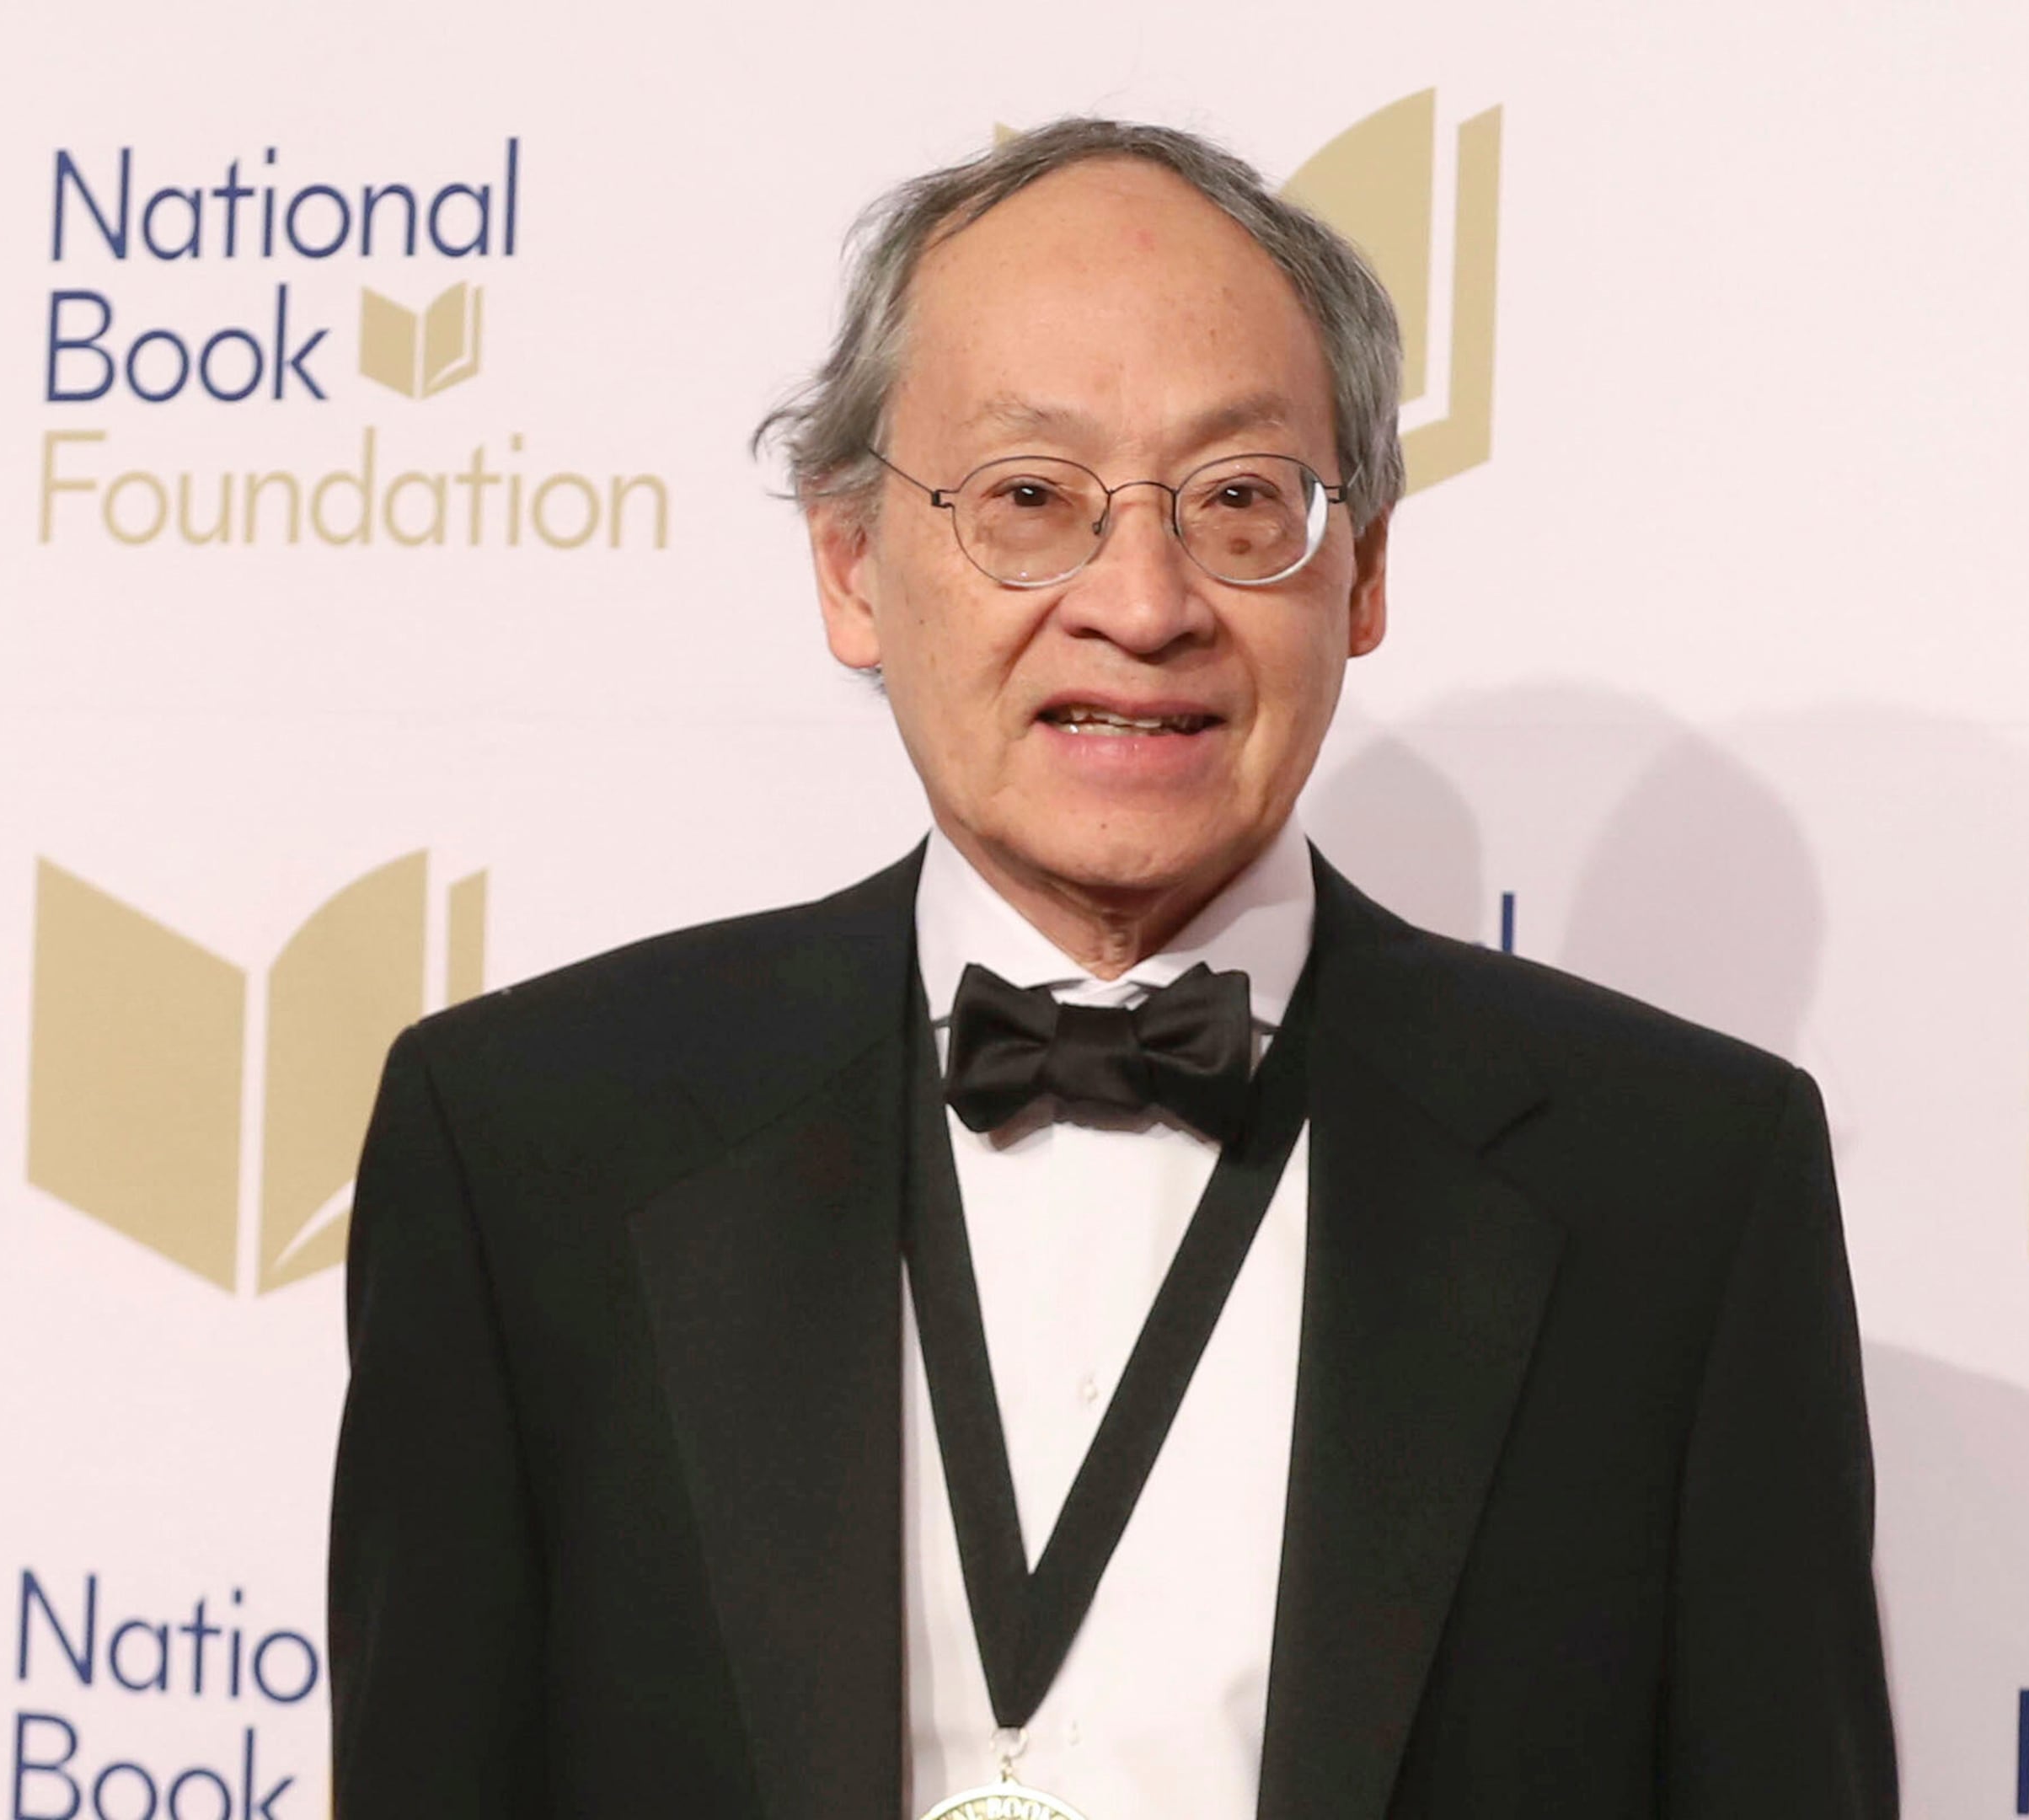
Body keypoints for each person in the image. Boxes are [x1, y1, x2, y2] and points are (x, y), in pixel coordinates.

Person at [328, 118, 1895, 1818]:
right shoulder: (532, 1145)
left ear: (1362, 570)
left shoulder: (1677, 1185)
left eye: (1237, 502)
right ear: (851, 566)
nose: (1141, 603)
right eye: (1030, 500)